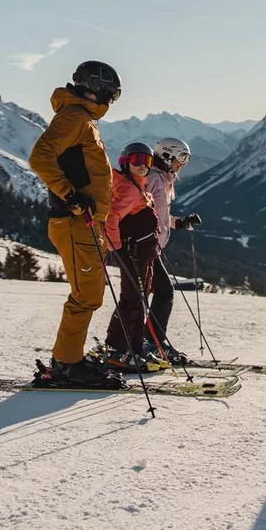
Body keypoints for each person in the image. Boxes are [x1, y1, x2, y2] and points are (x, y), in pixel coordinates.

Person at [28, 61, 123, 388]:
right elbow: (39, 158)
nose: (111, 103)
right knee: (86, 296)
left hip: (86, 222)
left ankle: (70, 360)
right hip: (75, 221)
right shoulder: (74, 117)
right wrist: (71, 196)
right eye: (111, 95)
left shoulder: (80, 118)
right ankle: (67, 365)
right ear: (97, 90)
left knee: (89, 294)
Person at [100, 141, 160, 372]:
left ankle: (133, 348)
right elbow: (111, 218)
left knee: (138, 299)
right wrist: (117, 247)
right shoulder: (129, 188)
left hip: (139, 253)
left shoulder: (135, 184)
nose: (143, 165)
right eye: (137, 160)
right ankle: (118, 349)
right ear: (126, 162)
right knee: (132, 300)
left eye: (148, 161)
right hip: (132, 253)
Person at [142, 137, 201, 364]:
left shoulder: (164, 180)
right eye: (181, 158)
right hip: (144, 245)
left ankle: (148, 340)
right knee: (162, 292)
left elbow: (161, 217)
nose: (183, 164)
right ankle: (149, 342)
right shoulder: (153, 179)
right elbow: (141, 212)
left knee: (151, 293)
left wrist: (180, 222)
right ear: (167, 155)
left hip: (152, 245)